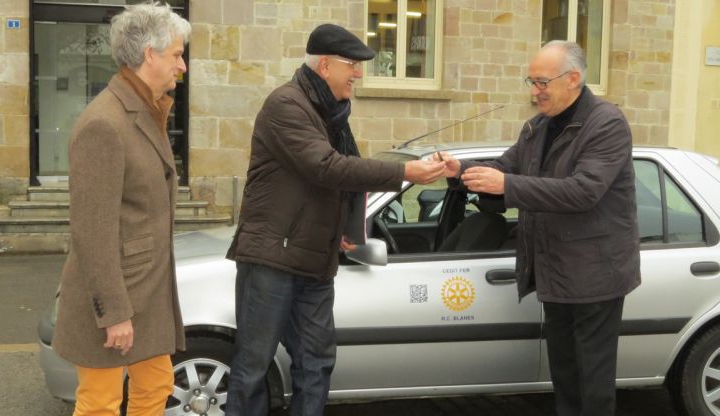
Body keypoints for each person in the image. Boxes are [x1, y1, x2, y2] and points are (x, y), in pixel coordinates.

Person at [225, 23, 446, 416]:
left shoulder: (332, 114)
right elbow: (326, 167)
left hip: (314, 260)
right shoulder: (286, 105)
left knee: (317, 362)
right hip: (272, 258)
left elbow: (350, 174)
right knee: (253, 366)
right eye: (352, 65)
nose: (358, 74)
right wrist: (404, 173)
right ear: (325, 66)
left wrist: (349, 230)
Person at [437, 40, 641, 416]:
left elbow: (584, 192)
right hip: (555, 271)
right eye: (531, 82)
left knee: (593, 382)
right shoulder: (537, 128)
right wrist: (460, 172)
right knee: (564, 375)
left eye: (542, 83)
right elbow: (504, 169)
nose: (534, 92)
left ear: (574, 79)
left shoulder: (606, 123)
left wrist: (508, 186)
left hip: (596, 274)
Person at [51, 3, 190, 415]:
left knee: (156, 386)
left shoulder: (148, 109)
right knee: (100, 405)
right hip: (115, 299)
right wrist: (113, 314)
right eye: (176, 55)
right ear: (150, 54)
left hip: (146, 292)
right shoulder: (104, 123)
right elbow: (92, 230)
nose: (181, 66)